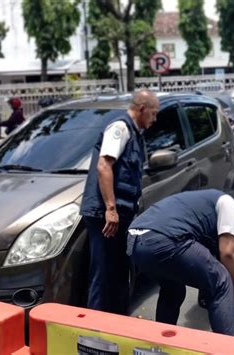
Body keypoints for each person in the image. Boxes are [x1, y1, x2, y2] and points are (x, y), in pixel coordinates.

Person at [126, 189, 234, 336]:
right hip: (163, 239)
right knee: (221, 281)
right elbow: (228, 252)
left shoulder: (201, 203)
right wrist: (233, 293)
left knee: (173, 290)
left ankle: (161, 345)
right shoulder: (228, 203)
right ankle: (230, 348)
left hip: (135, 242)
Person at [80, 89, 159, 314]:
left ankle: (118, 323)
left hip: (120, 215)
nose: (154, 120)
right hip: (105, 216)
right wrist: (111, 209)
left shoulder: (135, 133)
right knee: (103, 273)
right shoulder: (120, 128)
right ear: (142, 109)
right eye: (153, 114)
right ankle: (94, 331)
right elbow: (104, 166)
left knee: (119, 271)